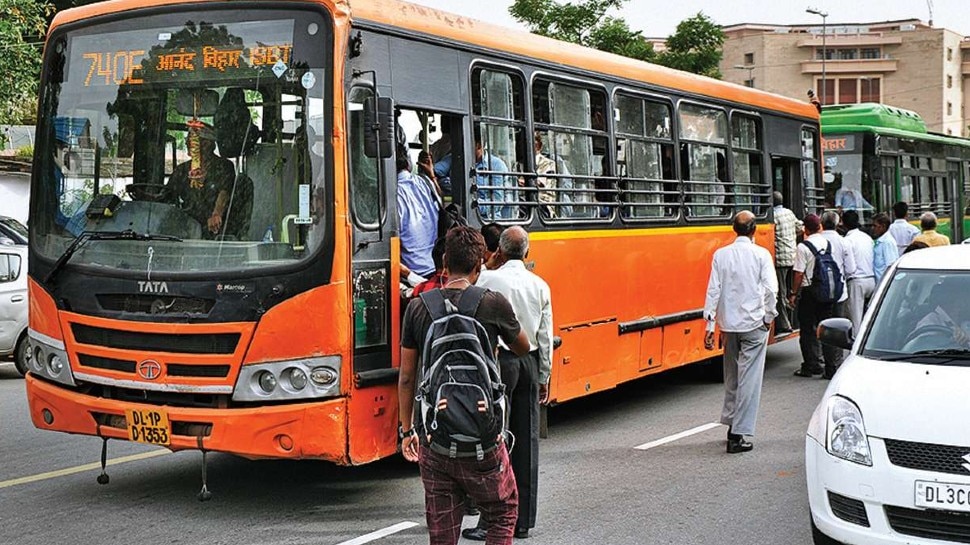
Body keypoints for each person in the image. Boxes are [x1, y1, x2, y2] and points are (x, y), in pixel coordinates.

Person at [398, 226, 530, 545]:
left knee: (442, 528)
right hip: (483, 435)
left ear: (444, 261)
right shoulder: (493, 302)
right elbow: (524, 347)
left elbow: (406, 376)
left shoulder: (419, 306)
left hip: (434, 435)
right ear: (478, 267)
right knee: (502, 511)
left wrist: (406, 432)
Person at [465, 226, 553, 540]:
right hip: (528, 362)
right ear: (527, 252)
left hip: (498, 362)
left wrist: (490, 264)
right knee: (527, 441)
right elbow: (544, 335)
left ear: (500, 251)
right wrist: (544, 376)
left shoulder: (488, 279)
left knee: (494, 441)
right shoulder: (540, 284)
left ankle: (491, 520)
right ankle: (524, 521)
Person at [703, 211, 777, 454]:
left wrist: (709, 324)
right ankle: (738, 434)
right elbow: (770, 289)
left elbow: (713, 290)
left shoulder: (721, 255)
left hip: (729, 325)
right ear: (754, 230)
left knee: (732, 377)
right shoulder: (761, 254)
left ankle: (731, 424)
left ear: (734, 229)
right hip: (754, 323)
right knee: (749, 380)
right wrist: (768, 317)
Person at [790, 214, 844, 380]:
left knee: (807, 329)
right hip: (826, 292)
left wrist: (793, 293)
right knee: (826, 329)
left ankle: (812, 365)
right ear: (819, 227)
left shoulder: (803, 246)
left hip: (809, 292)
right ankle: (830, 367)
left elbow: (799, 274)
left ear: (805, 229)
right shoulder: (827, 243)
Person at [164, 121, 236, 238]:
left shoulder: (224, 167)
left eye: (192, 140)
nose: (187, 143)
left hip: (215, 229)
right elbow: (167, 195)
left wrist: (216, 214)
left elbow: (224, 193)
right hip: (186, 228)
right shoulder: (181, 170)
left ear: (206, 144)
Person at [397, 145, 440, 279]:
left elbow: (394, 242)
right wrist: (432, 176)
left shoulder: (394, 194)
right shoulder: (424, 182)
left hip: (412, 273)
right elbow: (441, 205)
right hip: (435, 265)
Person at [841, 210, 875, 334]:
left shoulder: (847, 241)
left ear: (843, 224)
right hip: (871, 279)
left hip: (857, 281)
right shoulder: (867, 238)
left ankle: (856, 345)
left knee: (856, 320)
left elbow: (850, 267)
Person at [772, 191, 799, 333]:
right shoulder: (789, 213)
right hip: (793, 257)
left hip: (780, 260)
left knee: (780, 293)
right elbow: (800, 227)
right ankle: (793, 317)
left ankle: (785, 324)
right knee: (790, 289)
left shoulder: (773, 216)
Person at [872, 213, 900, 285]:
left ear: (883, 226)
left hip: (884, 283)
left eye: (875, 226)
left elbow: (890, 266)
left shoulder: (887, 242)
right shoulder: (880, 241)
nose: (873, 228)